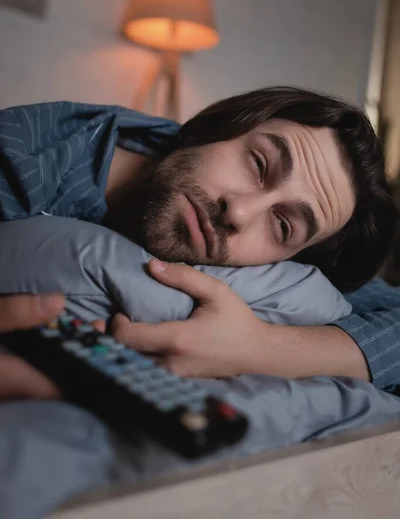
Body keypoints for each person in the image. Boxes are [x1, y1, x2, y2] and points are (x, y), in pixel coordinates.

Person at [0, 87, 398, 392]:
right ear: (216, 128)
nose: (239, 213)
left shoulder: (278, 273)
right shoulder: (23, 160)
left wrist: (262, 349)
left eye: (282, 226)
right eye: (258, 165)